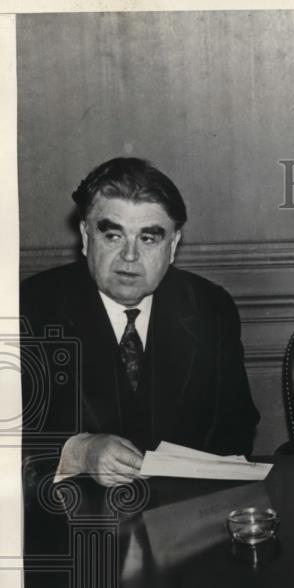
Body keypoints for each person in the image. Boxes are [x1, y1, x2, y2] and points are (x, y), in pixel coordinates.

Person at [20, 157, 260, 487]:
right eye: (113, 236)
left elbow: (236, 430)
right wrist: (76, 454)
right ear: (86, 236)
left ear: (173, 245)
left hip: (183, 518)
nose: (130, 257)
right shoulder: (28, 308)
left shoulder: (210, 306)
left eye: (149, 238)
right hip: (72, 520)